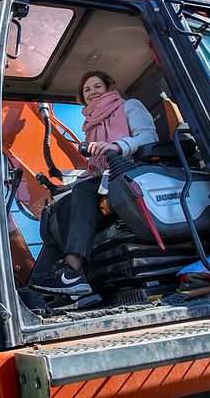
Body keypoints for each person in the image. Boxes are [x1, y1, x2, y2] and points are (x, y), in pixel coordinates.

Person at [30, 71, 157, 304]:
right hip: (107, 178)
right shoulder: (90, 125)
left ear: (109, 87)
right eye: (87, 90)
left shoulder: (129, 106)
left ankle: (73, 268)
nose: (92, 93)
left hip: (134, 171)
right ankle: (73, 284)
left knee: (84, 191)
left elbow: (148, 137)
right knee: (63, 203)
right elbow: (95, 170)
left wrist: (117, 146)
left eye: (97, 86)